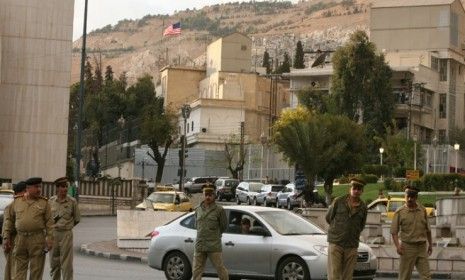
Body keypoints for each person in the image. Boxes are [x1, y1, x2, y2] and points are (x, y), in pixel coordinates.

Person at [3, 177, 53, 280]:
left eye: (40, 186)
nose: (39, 189)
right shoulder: (17, 202)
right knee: (18, 272)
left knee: (36, 271)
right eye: (36, 187)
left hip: (37, 239)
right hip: (20, 239)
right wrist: (6, 237)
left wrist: (50, 238)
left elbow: (50, 223)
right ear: (28, 188)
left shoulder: (44, 203)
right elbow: (9, 220)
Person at [325, 177, 368, 280]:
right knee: (334, 275)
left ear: (362, 191)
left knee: (347, 277)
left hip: (351, 245)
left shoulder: (363, 207)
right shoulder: (338, 201)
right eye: (354, 188)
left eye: (359, 189)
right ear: (350, 189)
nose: (356, 191)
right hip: (336, 243)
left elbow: (361, 225)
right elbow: (328, 218)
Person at [390, 186, 432, 280]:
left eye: (412, 197)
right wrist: (398, 246)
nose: (409, 199)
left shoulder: (422, 210)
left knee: (426, 277)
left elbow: (428, 229)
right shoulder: (400, 212)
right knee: (404, 277)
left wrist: (430, 244)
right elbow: (394, 231)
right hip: (407, 248)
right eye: (407, 196)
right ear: (405, 196)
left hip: (421, 247)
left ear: (416, 198)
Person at [192, 184, 229, 280]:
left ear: (214, 196)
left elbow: (223, 226)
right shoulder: (197, 209)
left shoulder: (219, 210)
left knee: (220, 268)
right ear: (203, 195)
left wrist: (215, 235)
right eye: (206, 195)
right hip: (200, 244)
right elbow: (196, 225)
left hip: (214, 244)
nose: (208, 197)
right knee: (196, 270)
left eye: (210, 195)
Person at [49, 177, 81, 280]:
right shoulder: (51, 201)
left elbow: (76, 219)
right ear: (57, 188)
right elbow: (47, 220)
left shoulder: (72, 202)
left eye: (66, 186)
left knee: (67, 263)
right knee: (54, 262)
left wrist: (67, 227)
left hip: (66, 234)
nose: (65, 189)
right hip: (54, 234)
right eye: (63, 187)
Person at [2, 181, 27, 280]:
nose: (26, 194)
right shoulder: (11, 207)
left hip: (23, 242)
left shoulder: (25, 206)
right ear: (17, 193)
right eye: (24, 191)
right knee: (12, 271)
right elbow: (7, 225)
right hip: (13, 242)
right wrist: (6, 238)